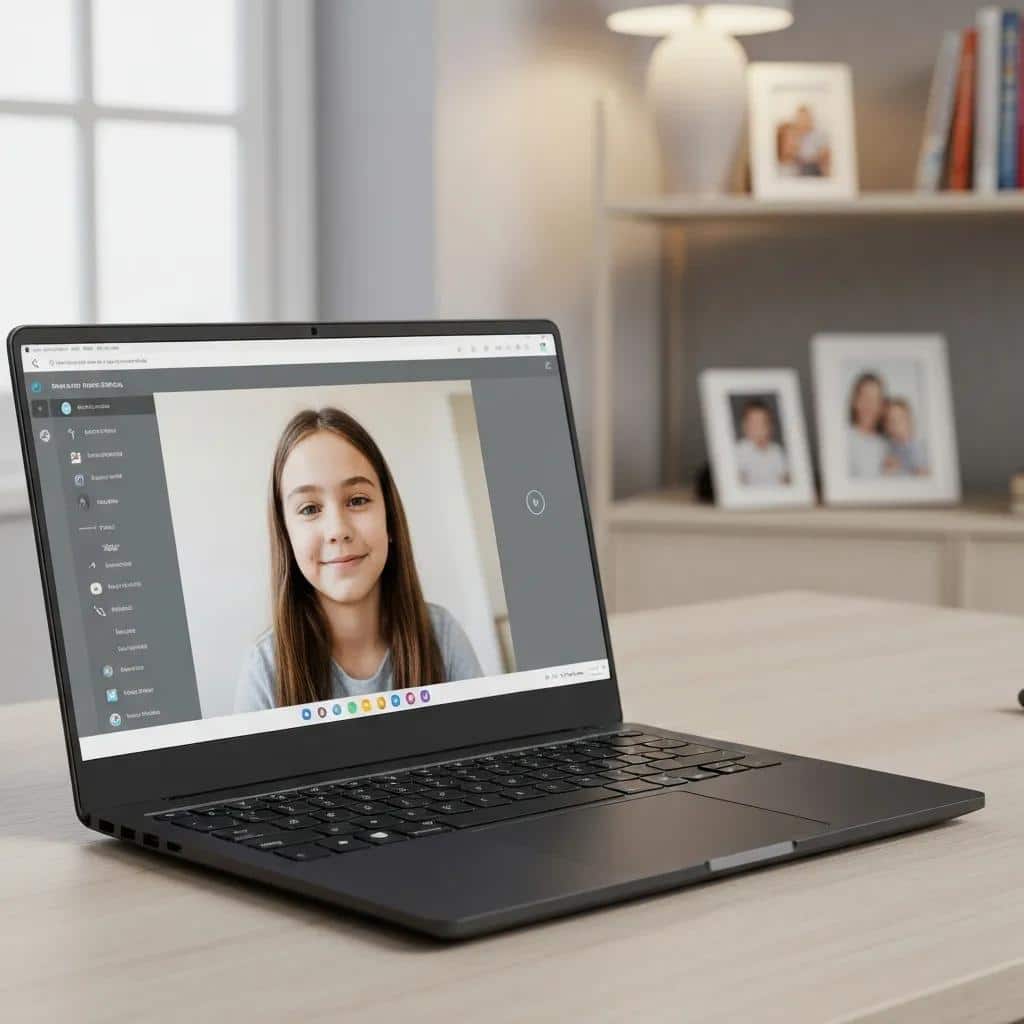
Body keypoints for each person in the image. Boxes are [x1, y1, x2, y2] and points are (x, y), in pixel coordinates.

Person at [235, 407, 482, 711]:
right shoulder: (265, 671)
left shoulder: (443, 637)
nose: (337, 530)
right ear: (286, 536)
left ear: (389, 518)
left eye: (357, 500)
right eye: (310, 509)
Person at [735, 398, 790, 487]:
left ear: (770, 427)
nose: (759, 429)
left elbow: (784, 478)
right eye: (754, 424)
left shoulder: (777, 450)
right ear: (744, 427)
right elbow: (739, 479)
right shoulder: (740, 450)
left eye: (763, 423)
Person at [847, 372, 889, 478]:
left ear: (882, 406)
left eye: (875, 399)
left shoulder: (887, 444)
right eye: (865, 397)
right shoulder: (843, 439)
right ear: (854, 401)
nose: (869, 405)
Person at [882, 397, 929, 476]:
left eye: (900, 418)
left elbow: (922, 473)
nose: (896, 425)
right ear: (887, 426)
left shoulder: (919, 447)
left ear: (909, 420)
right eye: (891, 420)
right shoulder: (890, 447)